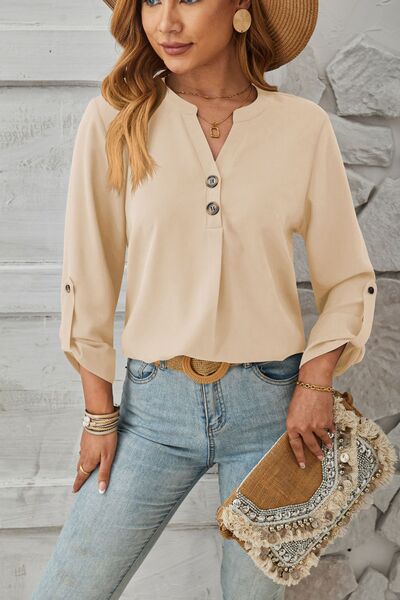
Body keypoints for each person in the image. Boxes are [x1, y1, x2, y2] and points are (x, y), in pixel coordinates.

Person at [32, 0, 377, 598]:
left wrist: (317, 383)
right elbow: (88, 276)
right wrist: (98, 415)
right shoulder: (115, 117)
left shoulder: (301, 127)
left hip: (274, 417)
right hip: (150, 414)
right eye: (151, 0)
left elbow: (347, 277)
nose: (165, 21)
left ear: (242, 7)